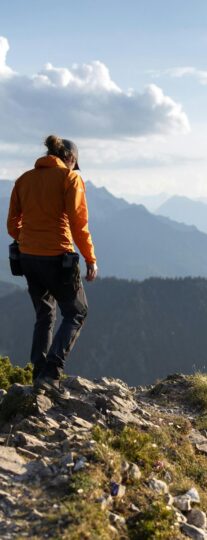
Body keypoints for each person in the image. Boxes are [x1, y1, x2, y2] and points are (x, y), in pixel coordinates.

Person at [7, 135, 97, 398]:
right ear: (69, 159)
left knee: (44, 314)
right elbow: (79, 225)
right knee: (77, 312)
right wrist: (90, 259)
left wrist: (31, 238)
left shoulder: (24, 180)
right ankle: (51, 373)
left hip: (27, 258)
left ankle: (38, 373)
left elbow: (13, 225)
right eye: (74, 163)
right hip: (58, 257)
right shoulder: (70, 179)